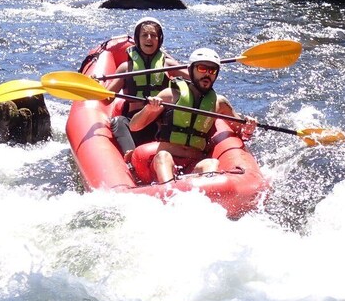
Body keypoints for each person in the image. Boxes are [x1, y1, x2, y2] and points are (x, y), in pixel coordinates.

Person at [127, 48, 257, 183]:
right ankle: (169, 191)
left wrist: (248, 127)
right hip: (166, 159)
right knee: (163, 157)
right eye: (201, 68)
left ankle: (205, 194)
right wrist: (149, 109)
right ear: (190, 70)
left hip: (194, 163)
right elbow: (134, 126)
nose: (207, 74)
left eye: (212, 71)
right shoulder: (170, 95)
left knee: (210, 164)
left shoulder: (220, 103)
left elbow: (241, 131)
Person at [105, 17, 189, 154]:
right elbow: (106, 98)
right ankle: (129, 154)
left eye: (153, 35)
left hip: (161, 123)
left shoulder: (168, 65)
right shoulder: (126, 68)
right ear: (137, 39)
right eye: (144, 35)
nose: (149, 38)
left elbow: (196, 79)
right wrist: (96, 84)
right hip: (134, 123)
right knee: (118, 122)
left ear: (159, 39)